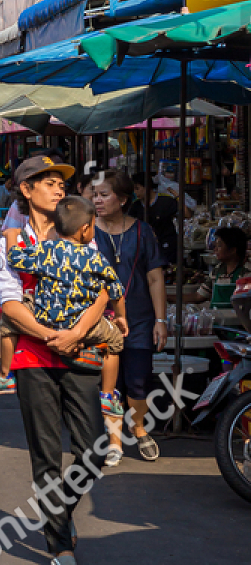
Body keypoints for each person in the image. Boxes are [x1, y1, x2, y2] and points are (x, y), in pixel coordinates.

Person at [0, 154, 110, 565]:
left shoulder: (83, 232)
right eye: (46, 182)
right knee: (45, 455)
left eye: (60, 182)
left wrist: (76, 332)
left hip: (81, 351)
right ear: (25, 191)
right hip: (33, 356)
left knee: (94, 449)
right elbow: (9, 301)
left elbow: (102, 289)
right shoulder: (11, 242)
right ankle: (59, 541)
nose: (58, 188)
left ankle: (57, 509)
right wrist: (49, 334)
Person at [8, 194, 126, 418]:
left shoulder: (45, 250)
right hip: (81, 323)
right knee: (114, 341)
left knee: (10, 320)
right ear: (84, 229)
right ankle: (108, 395)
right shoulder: (95, 258)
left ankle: (4, 373)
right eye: (93, 225)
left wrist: (12, 234)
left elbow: (14, 258)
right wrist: (121, 318)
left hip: (45, 320)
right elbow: (116, 292)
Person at [93, 171, 168, 465]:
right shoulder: (86, 231)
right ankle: (114, 441)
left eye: (104, 194)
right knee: (109, 385)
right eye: (95, 195)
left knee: (138, 382)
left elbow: (155, 278)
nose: (97, 200)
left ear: (122, 199)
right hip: (100, 320)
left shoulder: (143, 231)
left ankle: (139, 429)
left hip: (139, 317)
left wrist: (160, 320)